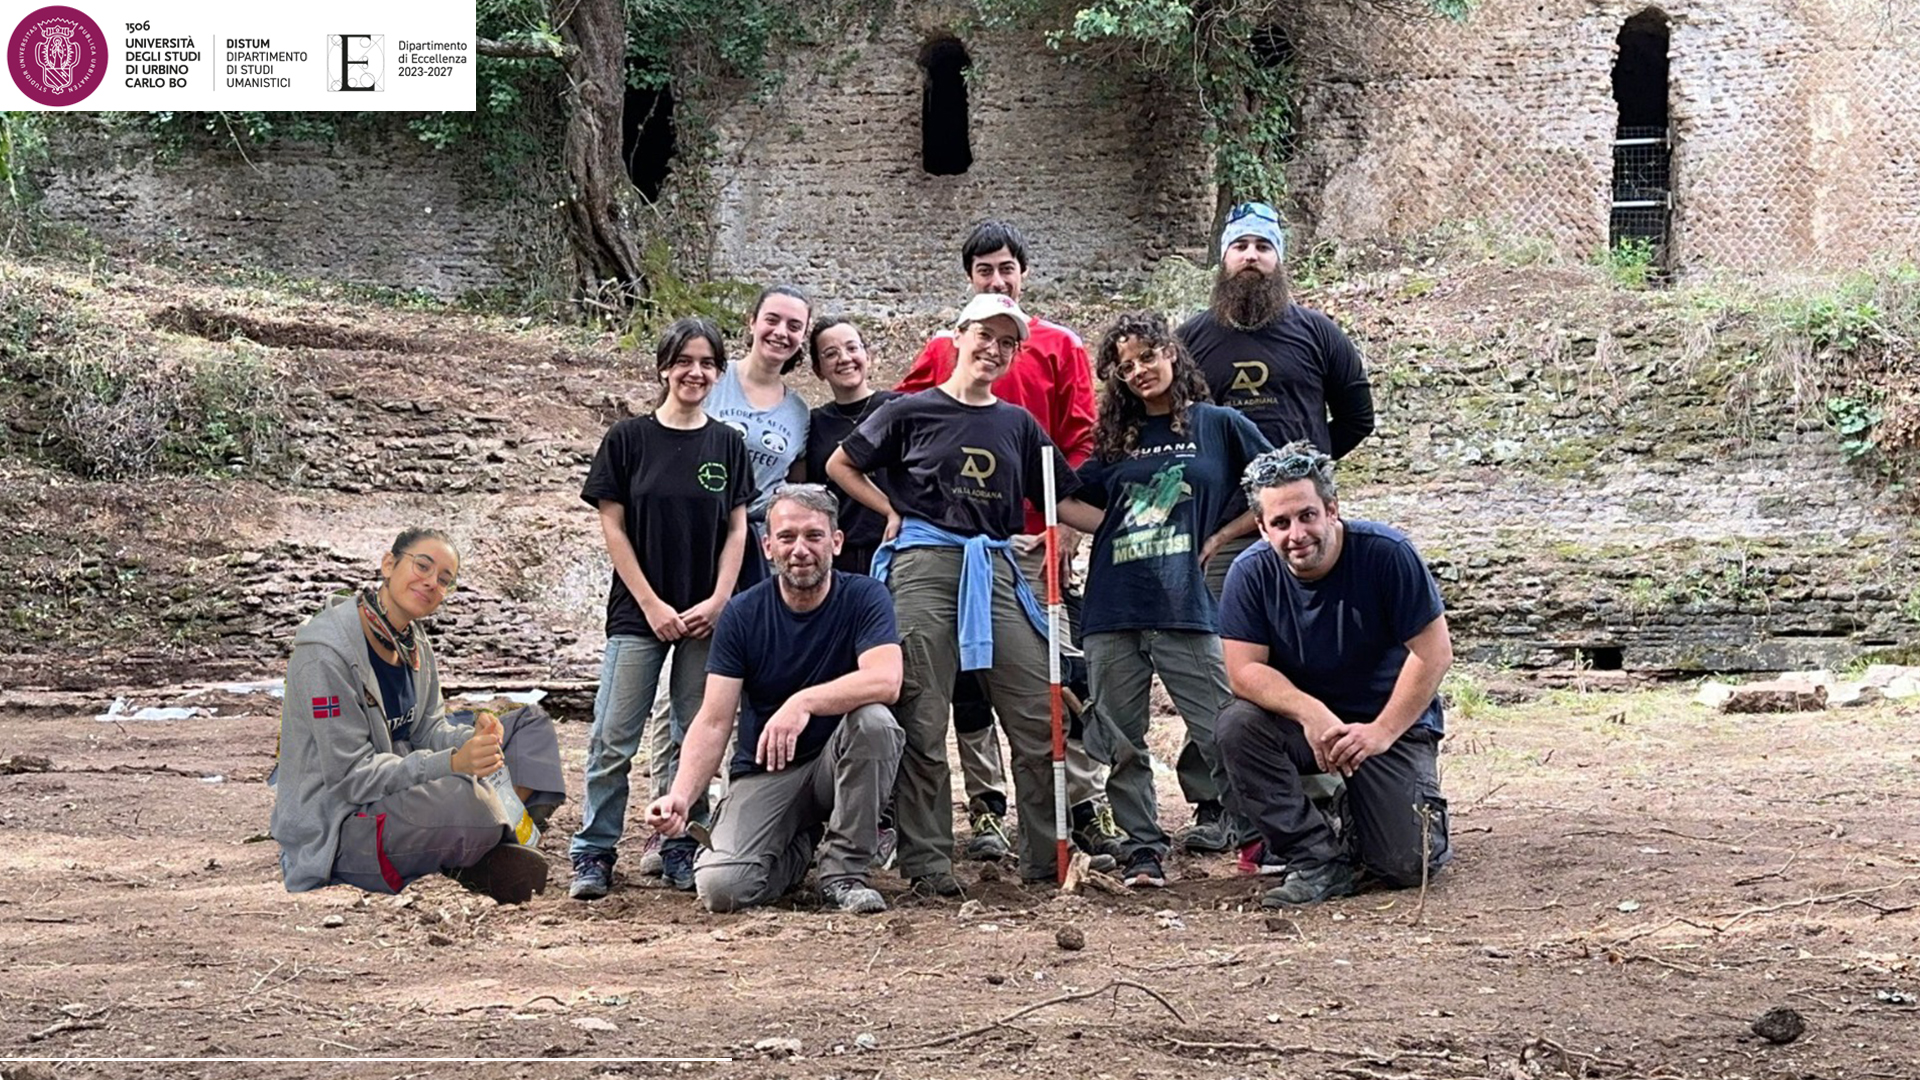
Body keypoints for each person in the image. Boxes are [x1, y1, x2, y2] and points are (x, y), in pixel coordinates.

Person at [828, 292, 1085, 895]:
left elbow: (1063, 499)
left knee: (1033, 709)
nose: (993, 350)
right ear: (959, 336)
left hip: (995, 568)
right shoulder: (910, 410)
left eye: (1007, 343)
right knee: (922, 712)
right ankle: (930, 864)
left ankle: (1046, 858)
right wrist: (889, 510)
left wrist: (1133, 513)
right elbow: (842, 465)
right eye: (985, 336)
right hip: (923, 566)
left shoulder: (1019, 425)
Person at [893, 220, 1120, 867]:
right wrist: (904, 513)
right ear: (970, 279)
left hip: (1036, 543)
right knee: (953, 685)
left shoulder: (1058, 345)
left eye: (1006, 269)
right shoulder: (945, 347)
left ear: (1024, 272)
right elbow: (904, 432)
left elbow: (1080, 441)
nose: (998, 279)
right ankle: (983, 813)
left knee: (1051, 678)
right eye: (984, 271)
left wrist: (1067, 529)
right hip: (952, 546)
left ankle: (1076, 811)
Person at [1172, 200, 1377, 858]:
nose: (1252, 255)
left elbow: (1355, 418)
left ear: (1280, 257)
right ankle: (1215, 800)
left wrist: (1303, 486)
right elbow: (1172, 426)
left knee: (1309, 650)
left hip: (1305, 535)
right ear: (1223, 259)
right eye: (1241, 246)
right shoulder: (1193, 339)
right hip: (1224, 533)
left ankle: (1321, 787)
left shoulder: (1318, 333)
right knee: (1217, 661)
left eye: (1264, 245)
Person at [1060, 312, 1270, 888]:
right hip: (1114, 606)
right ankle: (1142, 850)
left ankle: (1257, 835)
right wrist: (1110, 527)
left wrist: (1223, 536)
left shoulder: (1219, 424)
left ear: (1172, 354)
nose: (1138, 371)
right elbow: (1066, 499)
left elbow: (1277, 485)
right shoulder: (1117, 441)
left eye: (1147, 356)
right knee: (1123, 741)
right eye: (1124, 366)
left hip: (1186, 604)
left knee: (1221, 728)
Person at [646, 484, 905, 914]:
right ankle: (798, 848)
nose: (800, 549)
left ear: (836, 542)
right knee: (721, 889)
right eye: (786, 538)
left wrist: (802, 702)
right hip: (767, 772)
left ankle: (844, 873)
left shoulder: (866, 596)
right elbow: (712, 721)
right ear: (767, 547)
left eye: (813, 536)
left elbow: (886, 680)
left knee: (875, 722)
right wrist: (680, 795)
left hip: (838, 764)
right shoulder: (742, 614)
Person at [1215, 443, 1453, 907]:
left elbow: (1434, 652)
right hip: (1307, 726)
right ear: (1262, 529)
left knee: (1407, 866)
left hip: (1388, 724)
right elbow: (1242, 671)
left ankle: (1366, 813)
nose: (1296, 533)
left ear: (1331, 509)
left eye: (1307, 516)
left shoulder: (1388, 554)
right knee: (1236, 725)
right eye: (1280, 524)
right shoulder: (1249, 574)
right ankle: (1315, 858)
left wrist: (1381, 732)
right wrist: (1310, 712)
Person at [270, 529, 560, 904]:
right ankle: (485, 839)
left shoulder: (412, 640)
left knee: (530, 726)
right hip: (341, 824)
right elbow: (350, 779)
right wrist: (453, 762)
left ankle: (496, 837)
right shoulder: (326, 654)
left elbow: (427, 728)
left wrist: (473, 737)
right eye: (422, 566)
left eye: (444, 580)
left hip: (402, 788)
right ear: (389, 564)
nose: (431, 583)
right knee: (466, 796)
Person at [570, 317, 754, 900]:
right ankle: (594, 851)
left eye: (706, 363)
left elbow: (737, 529)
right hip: (638, 613)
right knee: (612, 735)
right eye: (684, 361)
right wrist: (651, 603)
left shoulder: (727, 443)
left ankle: (681, 845)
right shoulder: (627, 439)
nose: (694, 372)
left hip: (707, 613)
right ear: (663, 368)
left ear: (719, 373)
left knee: (693, 730)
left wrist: (720, 600)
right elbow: (613, 527)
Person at [707, 284, 814, 589]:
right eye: (772, 319)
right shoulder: (711, 379)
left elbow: (795, 485)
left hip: (760, 546)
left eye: (794, 326)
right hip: (702, 527)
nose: (781, 332)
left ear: (802, 336)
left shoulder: (798, 411)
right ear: (751, 321)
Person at [803, 316, 902, 575]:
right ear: (818, 369)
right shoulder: (814, 423)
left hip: (898, 544)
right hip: (839, 553)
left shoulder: (900, 409)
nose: (844, 358)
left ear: (867, 355)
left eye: (852, 348)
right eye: (831, 353)